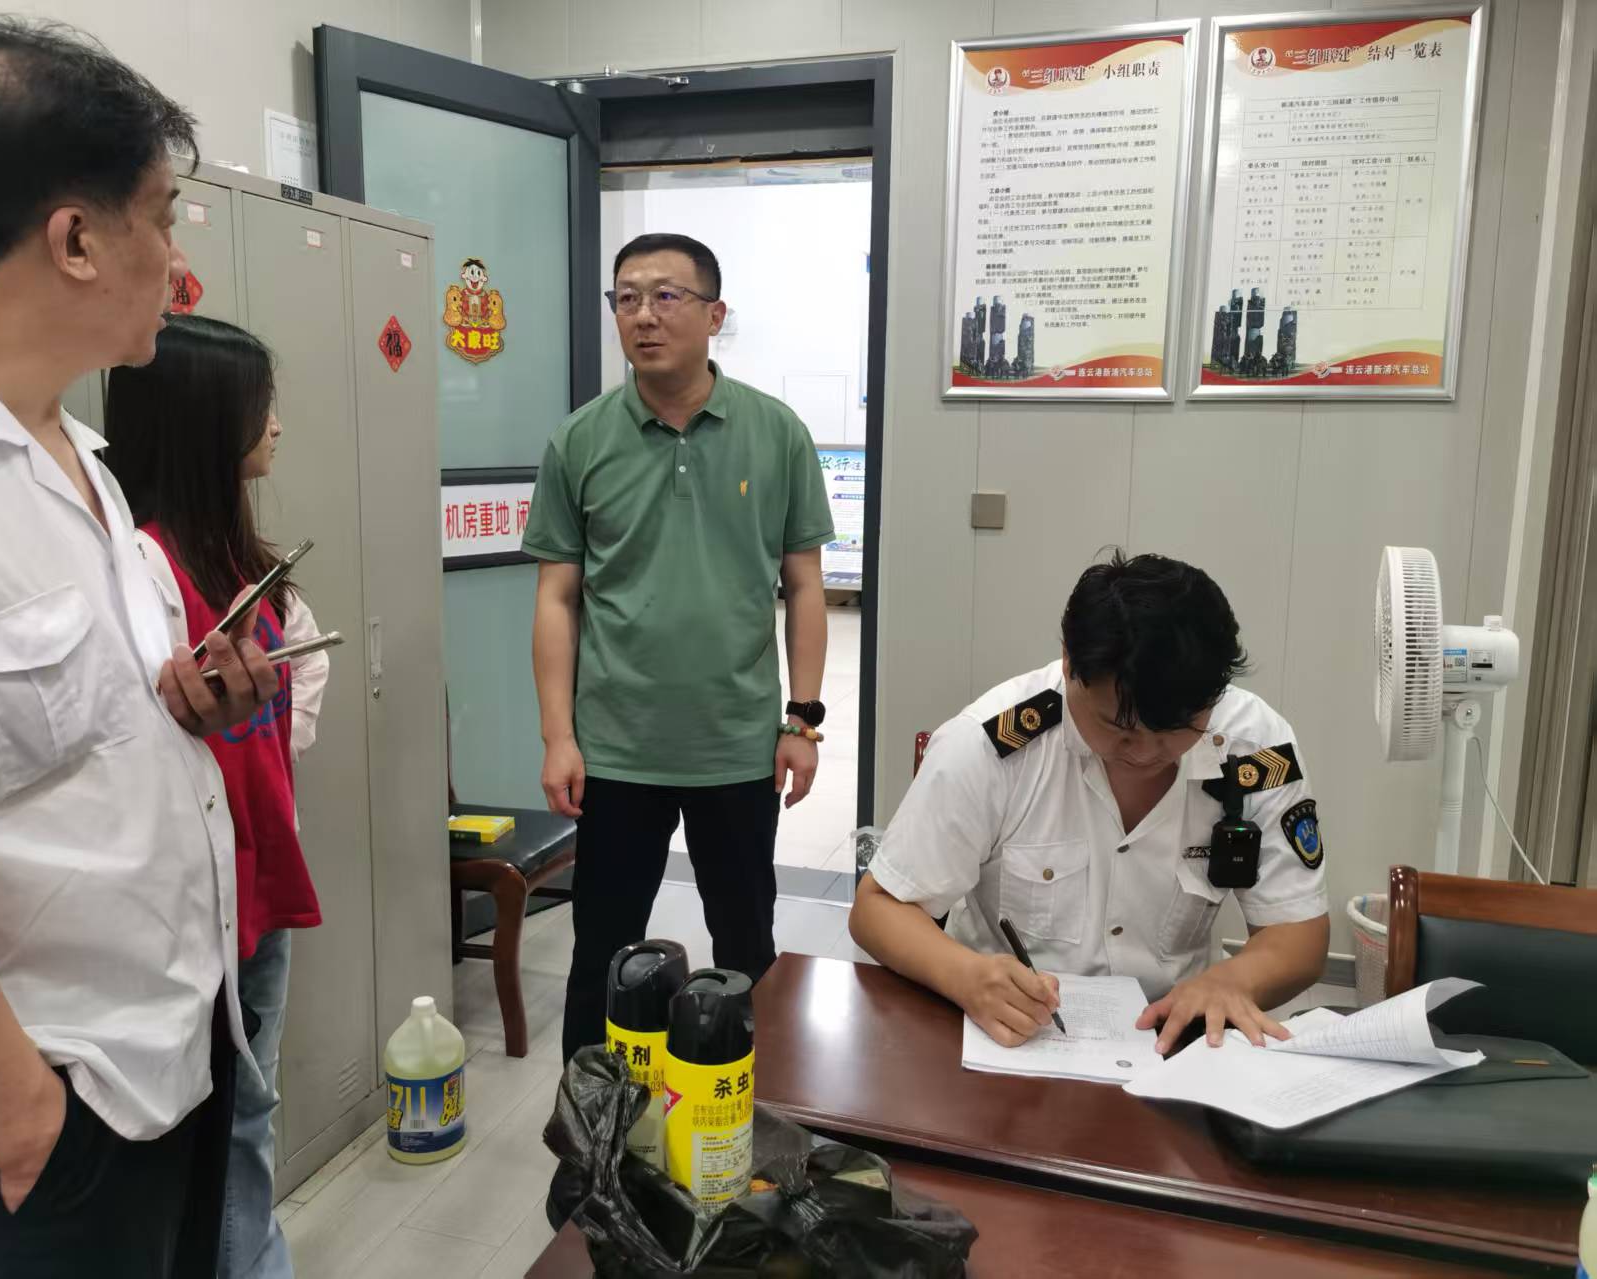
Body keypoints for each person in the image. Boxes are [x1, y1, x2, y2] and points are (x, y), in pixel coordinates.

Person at [0, 19, 280, 1277]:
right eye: (162, 219)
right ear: (74, 239)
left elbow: (51, 738)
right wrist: (24, 1122)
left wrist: (183, 703)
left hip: (165, 1061)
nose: (177, 260)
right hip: (14, 1129)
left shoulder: (78, 456)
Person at [524, 232, 836, 1061]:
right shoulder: (580, 441)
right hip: (616, 747)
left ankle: (755, 1106)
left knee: (746, 947)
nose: (643, 316)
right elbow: (557, 597)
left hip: (736, 743)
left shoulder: (777, 433)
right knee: (603, 951)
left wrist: (802, 720)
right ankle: (589, 1116)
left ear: (714, 314)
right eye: (626, 297)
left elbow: (805, 585)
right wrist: (558, 735)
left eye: (667, 296)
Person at [850, 552, 1329, 1055]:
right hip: (1010, 1035)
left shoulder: (1256, 750)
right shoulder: (991, 745)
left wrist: (1231, 982)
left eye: (1176, 731)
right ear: (1068, 661)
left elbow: (1298, 934)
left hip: (1172, 1042)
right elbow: (877, 908)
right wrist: (966, 976)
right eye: (1118, 728)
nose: (1144, 753)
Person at [106, 315, 330, 1279]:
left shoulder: (241, 559)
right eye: (258, 407)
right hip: (188, 898)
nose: (275, 425)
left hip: (257, 878)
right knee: (203, 1122)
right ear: (203, 424)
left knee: (246, 1108)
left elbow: (301, 695)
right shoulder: (138, 565)